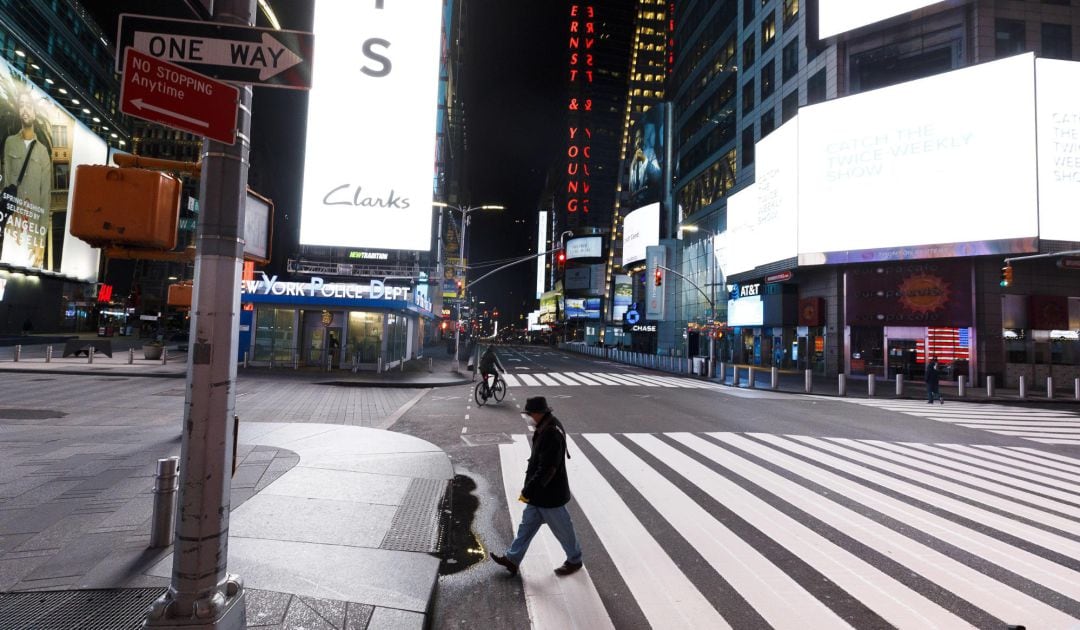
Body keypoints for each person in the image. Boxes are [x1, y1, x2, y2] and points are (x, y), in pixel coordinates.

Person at [491, 396, 582, 577]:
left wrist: (529, 489)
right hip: (539, 495)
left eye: (530, 414)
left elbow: (548, 468)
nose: (528, 417)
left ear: (539, 413)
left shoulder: (551, 433)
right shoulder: (545, 426)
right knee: (526, 527)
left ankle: (575, 560)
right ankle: (512, 559)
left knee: (564, 530)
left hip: (550, 495)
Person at [2, 87, 51, 268]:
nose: (25, 109)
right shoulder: (10, 143)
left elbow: (45, 198)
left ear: (35, 113)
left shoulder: (43, 153)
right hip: (13, 224)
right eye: (21, 105)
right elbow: (7, 184)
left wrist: (41, 242)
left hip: (32, 227)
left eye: (29, 105)